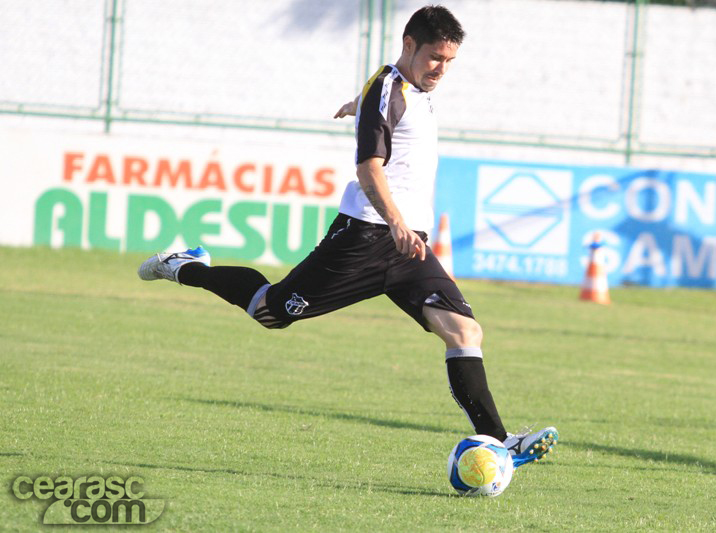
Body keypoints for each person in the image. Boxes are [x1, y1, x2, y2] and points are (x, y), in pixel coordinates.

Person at [138, 5, 557, 469]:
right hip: (365, 237)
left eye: (450, 61)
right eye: (436, 57)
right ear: (410, 44)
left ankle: (500, 442)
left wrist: (360, 106)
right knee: (270, 312)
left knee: (464, 331)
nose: (442, 68)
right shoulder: (388, 88)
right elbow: (368, 167)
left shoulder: (403, 89)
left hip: (407, 245)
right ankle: (184, 265)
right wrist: (396, 219)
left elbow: (386, 102)